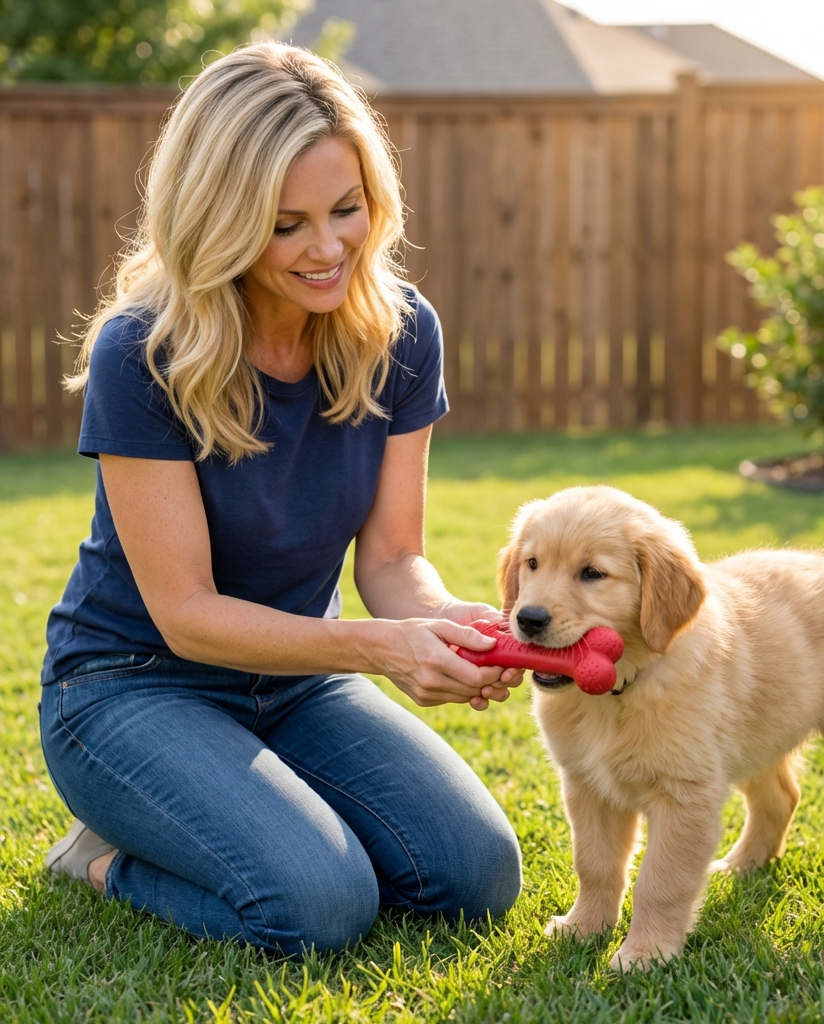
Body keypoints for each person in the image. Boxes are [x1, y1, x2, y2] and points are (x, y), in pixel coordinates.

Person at [38, 43, 523, 957]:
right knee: (320, 906)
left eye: (347, 209)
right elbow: (184, 616)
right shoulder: (143, 353)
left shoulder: (402, 331)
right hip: (131, 688)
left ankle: (265, 811)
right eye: (286, 223)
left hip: (300, 681)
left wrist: (446, 624)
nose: (329, 246)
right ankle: (102, 860)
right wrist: (380, 648)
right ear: (218, 220)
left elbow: (389, 559)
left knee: (476, 875)